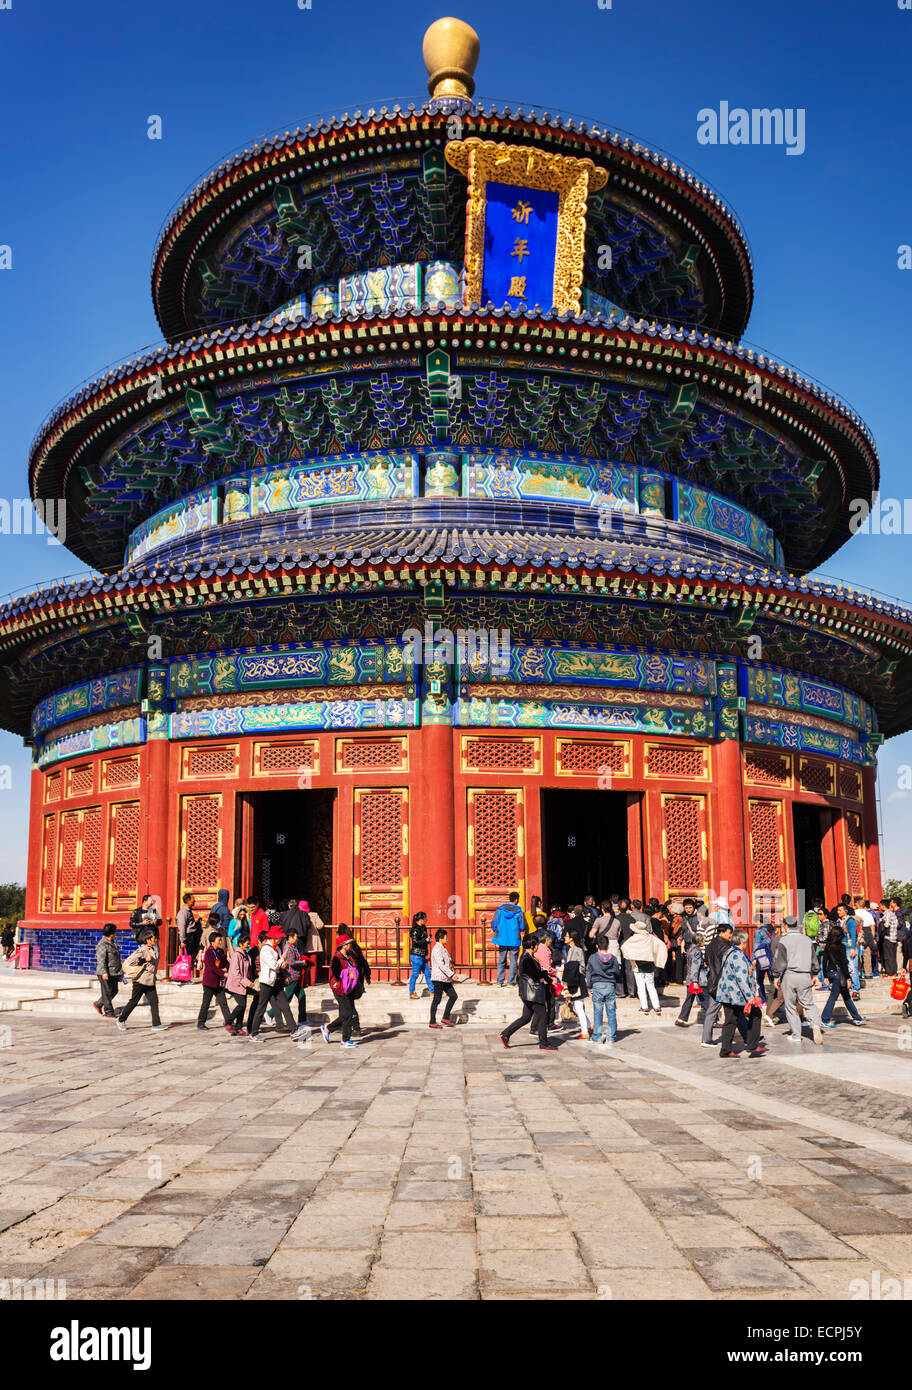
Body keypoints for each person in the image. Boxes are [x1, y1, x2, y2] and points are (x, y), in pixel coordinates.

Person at [770, 914, 823, 1045]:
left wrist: (776, 976)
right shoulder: (807, 940)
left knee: (790, 1005)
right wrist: (815, 974)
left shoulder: (783, 941)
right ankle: (816, 1025)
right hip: (805, 975)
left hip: (789, 975)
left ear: (786, 926)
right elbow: (814, 959)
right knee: (808, 1003)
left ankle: (796, 1034)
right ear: (797, 925)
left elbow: (779, 961)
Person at [500, 931, 556, 1051]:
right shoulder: (527, 959)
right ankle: (544, 1043)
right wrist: (545, 973)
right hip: (533, 993)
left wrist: (548, 979)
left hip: (529, 993)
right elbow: (535, 975)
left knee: (526, 1017)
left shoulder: (530, 958)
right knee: (542, 1015)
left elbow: (538, 973)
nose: (537, 947)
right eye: (536, 945)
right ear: (532, 946)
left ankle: (505, 1034)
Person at [716, 929, 765, 1058]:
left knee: (731, 1021)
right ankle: (752, 1044)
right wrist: (750, 998)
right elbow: (741, 978)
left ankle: (726, 1050)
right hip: (735, 994)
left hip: (728, 993)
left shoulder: (729, 952)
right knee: (756, 1013)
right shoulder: (738, 956)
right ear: (742, 942)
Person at [247, 934, 297, 1041]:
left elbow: (278, 964)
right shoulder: (266, 949)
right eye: (279, 938)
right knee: (261, 1007)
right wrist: (282, 959)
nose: (280, 940)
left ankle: (294, 1030)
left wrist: (283, 963)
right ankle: (254, 1033)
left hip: (277, 981)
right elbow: (274, 965)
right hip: (267, 982)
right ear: (274, 938)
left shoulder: (277, 948)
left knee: (285, 1006)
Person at [116, 933, 166, 1031]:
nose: (155, 940)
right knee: (134, 1001)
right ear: (148, 939)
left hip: (150, 980)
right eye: (154, 938)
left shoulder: (152, 949)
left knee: (154, 1001)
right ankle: (121, 1019)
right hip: (140, 980)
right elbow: (130, 961)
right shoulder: (143, 950)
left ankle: (156, 1024)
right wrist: (143, 960)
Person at [820, 926, 866, 1028]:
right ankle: (825, 1019)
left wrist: (826, 976)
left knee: (847, 997)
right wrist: (848, 978)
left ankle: (857, 1018)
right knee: (833, 997)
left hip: (831, 973)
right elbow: (843, 964)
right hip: (839, 975)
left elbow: (824, 962)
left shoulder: (828, 946)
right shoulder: (841, 947)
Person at [621, 916, 666, 1014]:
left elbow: (624, 947)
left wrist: (631, 955)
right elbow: (661, 945)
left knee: (640, 986)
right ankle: (656, 1006)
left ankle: (644, 1006)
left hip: (638, 965)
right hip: (649, 964)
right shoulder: (650, 938)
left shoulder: (633, 938)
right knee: (651, 986)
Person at [321, 934, 360, 1047]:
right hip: (339, 988)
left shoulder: (349, 956)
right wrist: (348, 973)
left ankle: (328, 1029)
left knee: (346, 1014)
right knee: (347, 1014)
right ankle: (345, 1040)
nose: (350, 945)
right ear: (344, 945)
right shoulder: (336, 958)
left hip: (349, 988)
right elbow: (336, 973)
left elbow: (354, 968)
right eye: (349, 944)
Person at [700, 921, 734, 1047]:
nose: (731, 935)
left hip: (713, 981)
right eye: (730, 933)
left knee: (711, 1012)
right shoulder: (725, 946)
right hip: (724, 983)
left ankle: (706, 1038)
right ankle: (749, 1037)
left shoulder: (709, 945)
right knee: (736, 1010)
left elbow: (707, 962)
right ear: (722, 932)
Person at [585, 934, 623, 1046]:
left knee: (598, 1013)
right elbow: (617, 972)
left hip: (597, 986)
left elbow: (589, 973)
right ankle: (611, 1037)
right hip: (610, 986)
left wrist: (589, 987)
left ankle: (597, 1036)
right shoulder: (614, 958)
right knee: (611, 1012)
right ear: (608, 945)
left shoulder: (593, 957)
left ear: (597, 945)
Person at [197, 930, 234, 1030]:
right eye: (219, 940)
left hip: (219, 982)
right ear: (212, 942)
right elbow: (212, 968)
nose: (221, 942)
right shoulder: (209, 952)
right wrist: (223, 973)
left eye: (221, 940)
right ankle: (201, 1022)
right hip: (209, 982)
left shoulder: (220, 951)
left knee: (223, 1003)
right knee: (206, 1003)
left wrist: (228, 968)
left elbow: (225, 962)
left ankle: (228, 1021)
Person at [562, 927, 591, 1040]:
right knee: (576, 1007)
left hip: (577, 980)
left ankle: (585, 1032)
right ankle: (589, 1026)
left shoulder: (577, 950)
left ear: (572, 938)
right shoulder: (571, 949)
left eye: (567, 936)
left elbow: (581, 966)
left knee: (578, 1006)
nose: (565, 937)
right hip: (573, 980)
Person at [675, 929, 708, 1027]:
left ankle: (681, 1019)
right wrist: (695, 981)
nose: (704, 942)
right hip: (698, 981)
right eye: (703, 940)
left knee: (689, 1000)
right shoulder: (697, 951)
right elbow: (695, 966)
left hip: (690, 979)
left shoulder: (690, 949)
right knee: (706, 1000)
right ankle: (713, 1019)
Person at [491, 892, 524, 986]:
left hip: (502, 938)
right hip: (514, 939)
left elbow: (494, 923)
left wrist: (498, 931)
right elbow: (522, 926)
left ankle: (499, 981)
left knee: (501, 959)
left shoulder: (500, 910)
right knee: (513, 960)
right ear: (517, 899)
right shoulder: (518, 912)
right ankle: (510, 982)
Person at [428, 928, 458, 1028]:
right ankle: (432, 1021)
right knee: (437, 999)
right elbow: (441, 964)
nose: (447, 939)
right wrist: (452, 974)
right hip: (438, 978)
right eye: (446, 937)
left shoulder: (443, 948)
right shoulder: (437, 949)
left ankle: (445, 1017)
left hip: (445, 979)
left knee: (453, 996)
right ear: (441, 938)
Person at [225, 934, 255, 1034]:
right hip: (235, 984)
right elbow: (235, 973)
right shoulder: (236, 955)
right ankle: (228, 1021)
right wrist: (247, 982)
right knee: (241, 1005)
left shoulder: (246, 955)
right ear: (240, 944)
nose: (248, 945)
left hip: (243, 985)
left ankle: (238, 1027)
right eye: (247, 944)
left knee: (243, 1005)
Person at [93, 922, 123, 1019]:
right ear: (112, 933)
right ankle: (109, 1012)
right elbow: (101, 960)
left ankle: (98, 1004)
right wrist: (103, 972)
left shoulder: (112, 943)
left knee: (114, 990)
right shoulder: (102, 944)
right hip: (105, 972)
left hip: (114, 971)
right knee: (106, 992)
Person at [408, 911, 433, 998]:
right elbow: (415, 942)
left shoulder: (424, 928)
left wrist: (428, 940)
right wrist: (425, 941)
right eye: (425, 918)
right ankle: (411, 992)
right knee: (415, 974)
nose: (426, 920)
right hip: (416, 955)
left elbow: (423, 941)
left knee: (428, 973)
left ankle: (432, 991)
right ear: (421, 919)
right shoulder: (415, 930)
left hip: (422, 955)